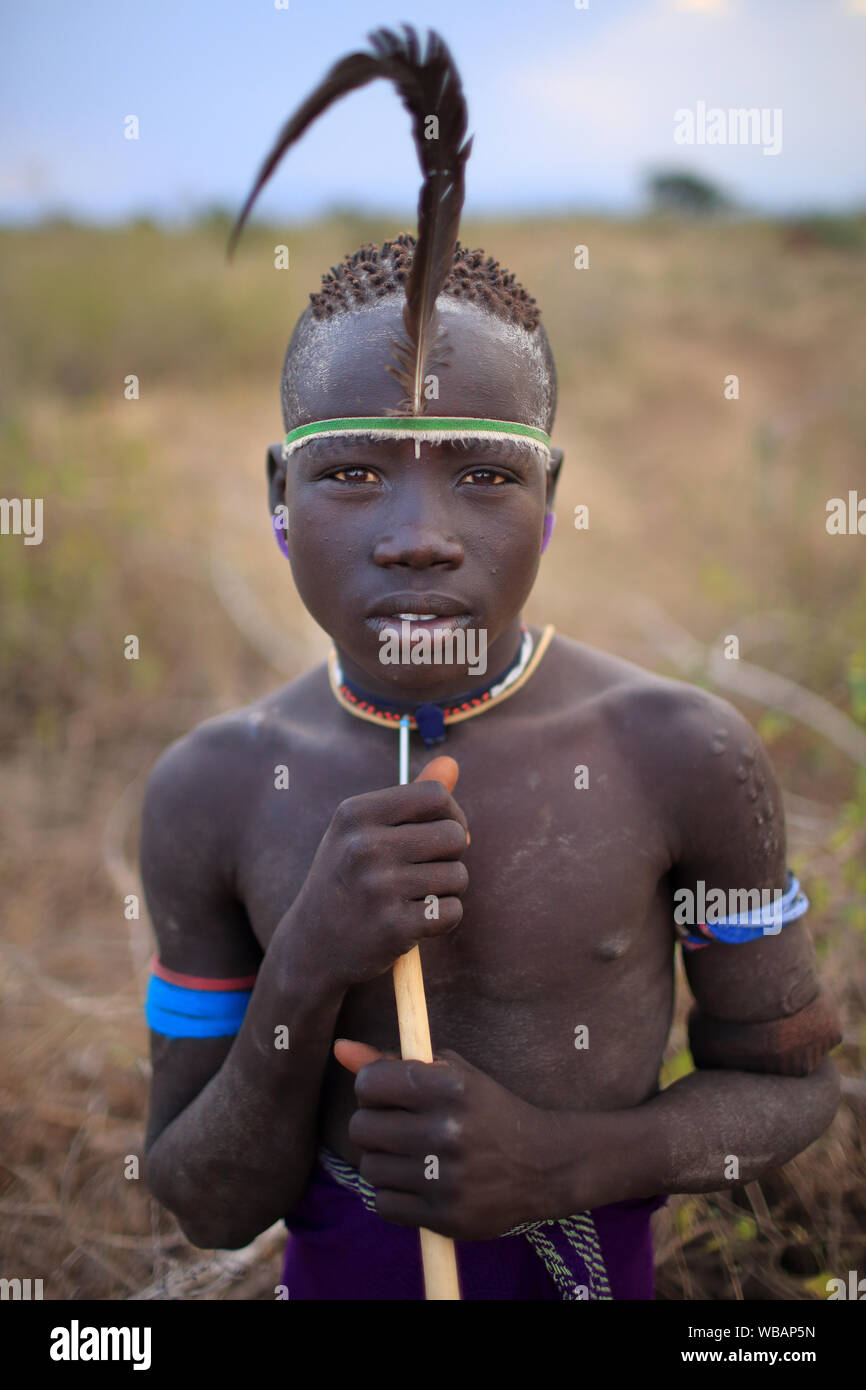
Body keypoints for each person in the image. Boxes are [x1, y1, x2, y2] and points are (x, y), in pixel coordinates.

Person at [140, 26, 841, 1300]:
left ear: (550, 494)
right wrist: (307, 959)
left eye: (482, 474)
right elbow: (198, 1199)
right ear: (276, 495)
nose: (418, 538)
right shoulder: (211, 789)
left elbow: (791, 1095)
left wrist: (569, 1162)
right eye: (350, 474)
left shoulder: (681, 755)